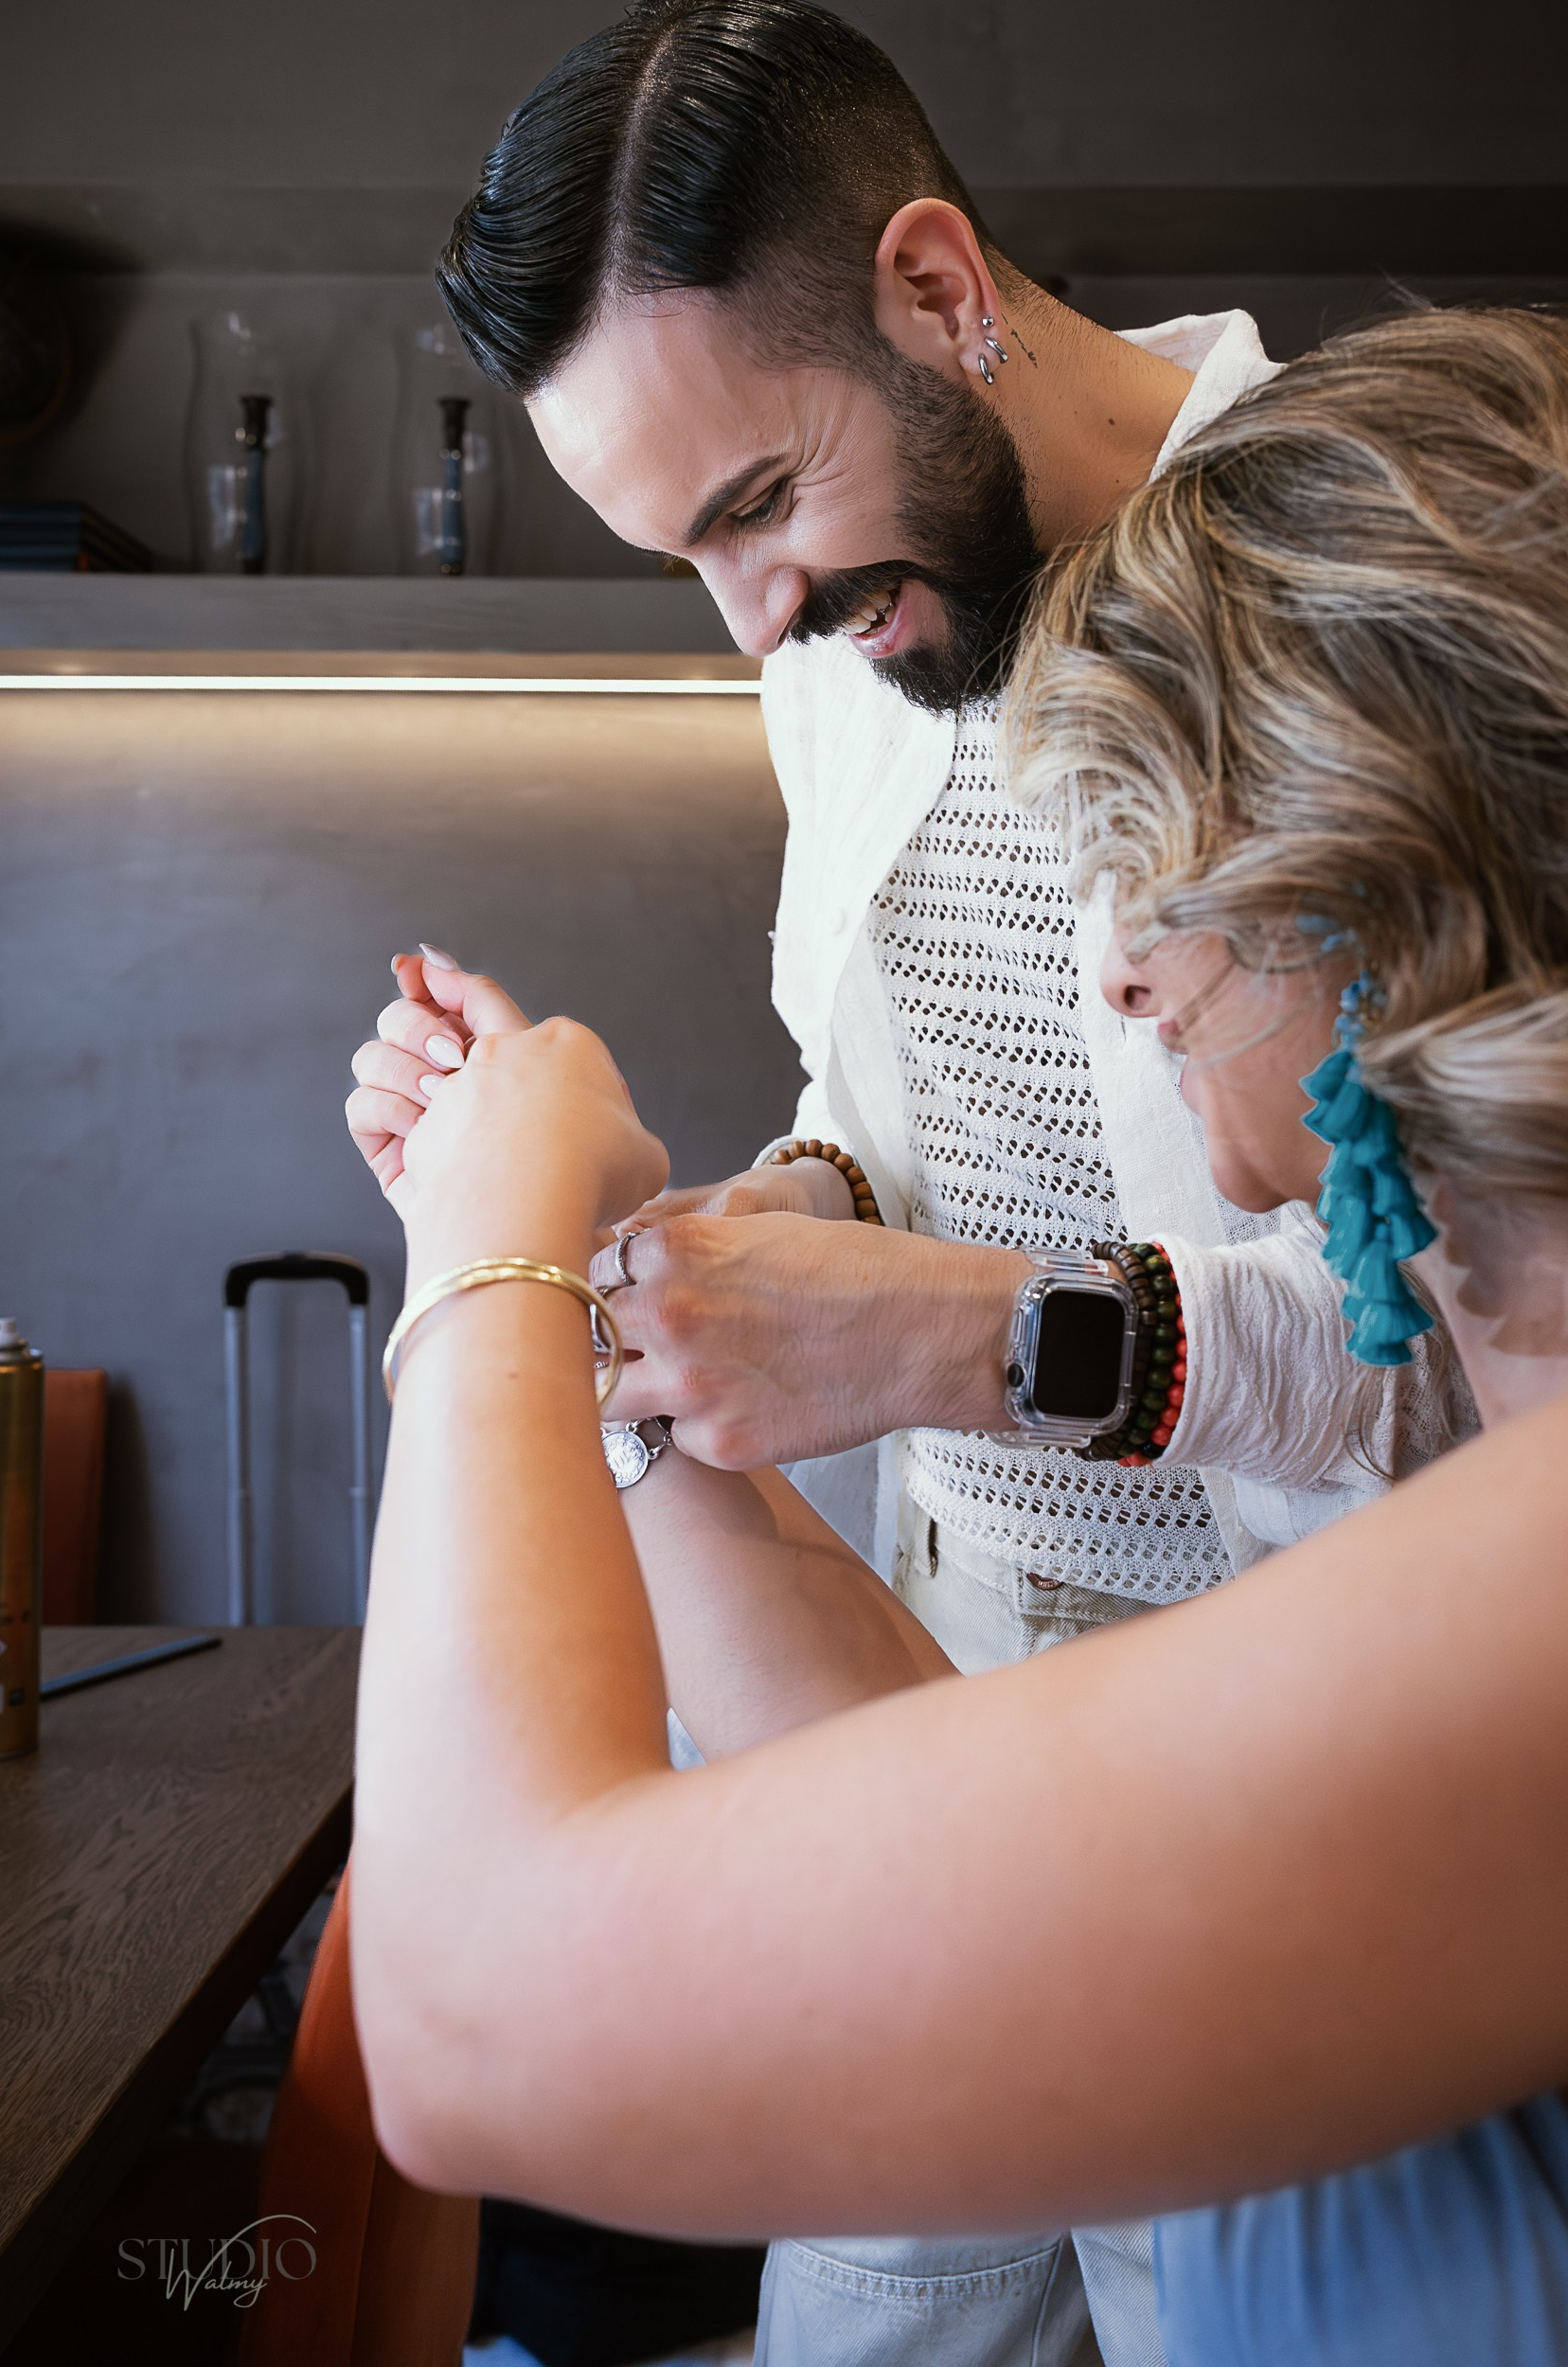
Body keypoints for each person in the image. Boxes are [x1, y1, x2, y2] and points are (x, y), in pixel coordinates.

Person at [355, 12, 1452, 2349]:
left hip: (1299, 1768)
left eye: (753, 507)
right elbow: (912, 1088)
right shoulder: (838, 632)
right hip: (917, 1693)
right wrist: (781, 1220)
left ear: (942, 292)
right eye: (682, 552)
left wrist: (962, 1326)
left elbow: (1465, 1341)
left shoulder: (1373, 587)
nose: (748, 619)